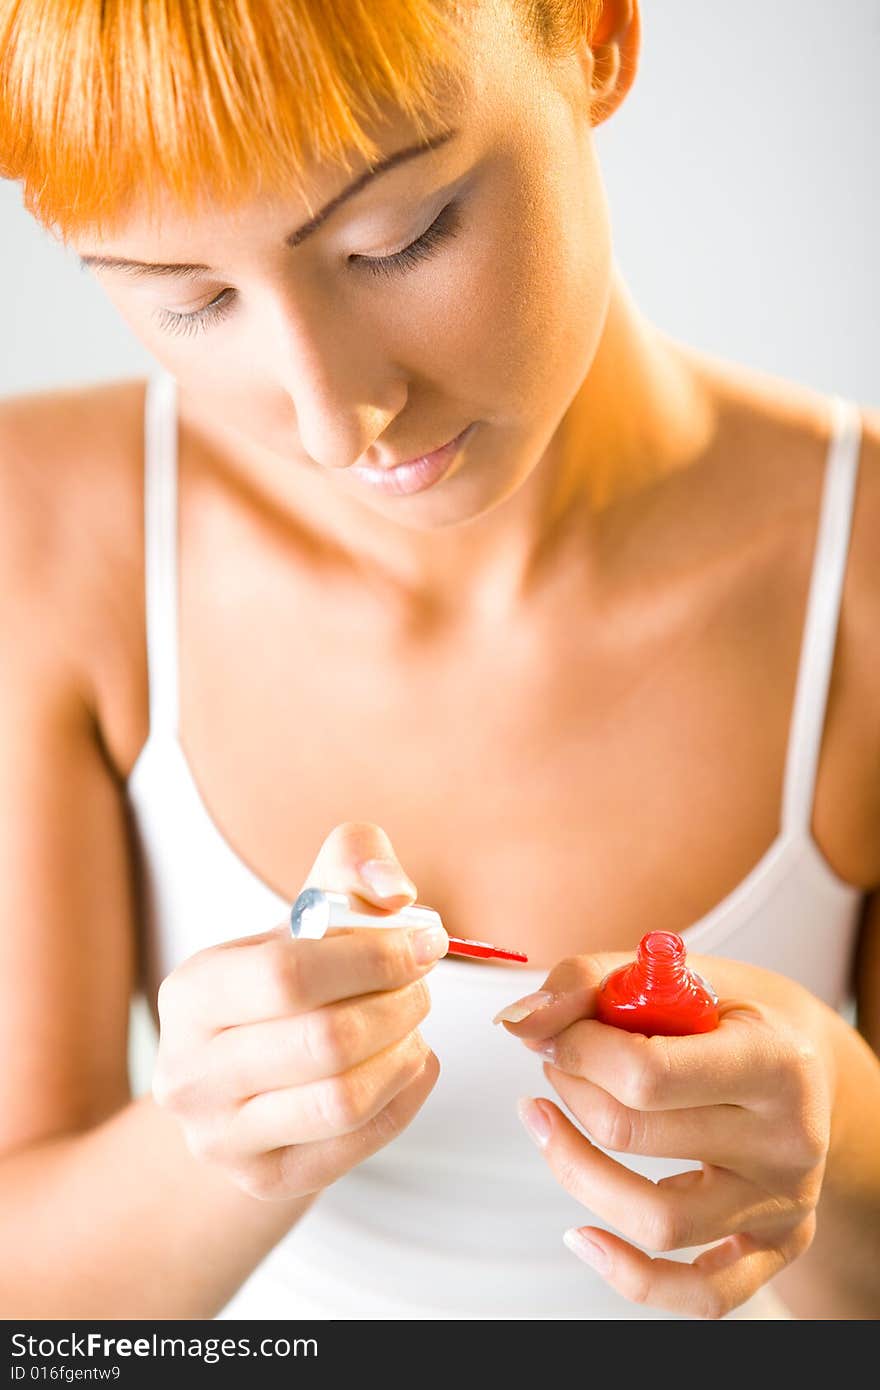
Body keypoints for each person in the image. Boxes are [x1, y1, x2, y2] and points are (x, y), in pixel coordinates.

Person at [0, 0, 878, 1321]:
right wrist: (220, 1148)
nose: (335, 414)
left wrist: (841, 1134)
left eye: (396, 238)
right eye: (196, 302)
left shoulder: (855, 574)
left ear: (595, 35)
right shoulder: (45, 537)